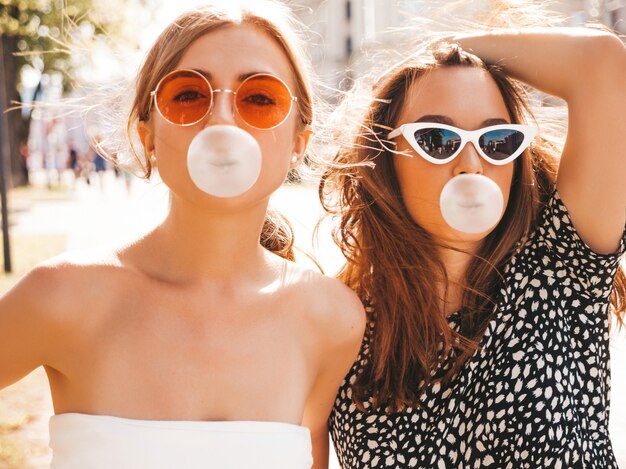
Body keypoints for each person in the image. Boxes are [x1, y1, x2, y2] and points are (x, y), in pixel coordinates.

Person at [0, 2, 365, 468]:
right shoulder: (61, 296)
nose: (223, 122)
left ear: (299, 141)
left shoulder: (333, 319)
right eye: (189, 95)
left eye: (259, 98)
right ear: (146, 134)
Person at [320, 23, 626, 468]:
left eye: (497, 142)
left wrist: (452, 47)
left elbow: (603, 63)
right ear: (387, 159)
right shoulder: (342, 328)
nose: (471, 164)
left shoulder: (562, 271)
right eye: (437, 140)